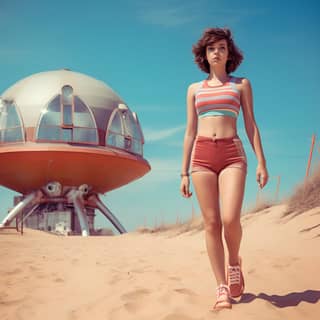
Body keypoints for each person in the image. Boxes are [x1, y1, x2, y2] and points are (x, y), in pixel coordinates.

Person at [180, 28, 268, 310]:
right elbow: (189, 131)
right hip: (202, 157)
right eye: (211, 49)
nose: (216, 52)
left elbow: (251, 124)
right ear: (204, 55)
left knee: (230, 219)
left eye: (221, 47)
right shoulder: (194, 89)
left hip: (232, 153)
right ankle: (221, 288)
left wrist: (261, 162)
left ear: (230, 53)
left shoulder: (241, 84)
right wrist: (183, 172)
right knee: (211, 223)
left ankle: (234, 261)